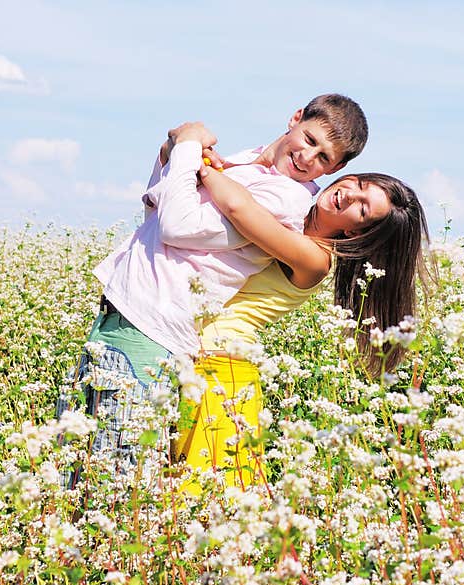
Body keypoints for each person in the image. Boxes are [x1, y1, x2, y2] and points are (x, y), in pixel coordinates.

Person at [56, 95, 367, 475]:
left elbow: (179, 225)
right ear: (295, 118)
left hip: (153, 329)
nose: (307, 158)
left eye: (323, 159)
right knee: (68, 466)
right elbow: (158, 208)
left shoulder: (286, 199)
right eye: (310, 140)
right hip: (120, 313)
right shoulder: (246, 162)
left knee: (114, 476)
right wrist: (173, 150)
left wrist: (190, 147)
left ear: (334, 168)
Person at [169, 157, 431, 496]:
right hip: (187, 354)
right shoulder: (289, 213)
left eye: (363, 209)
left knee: (202, 500)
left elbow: (237, 207)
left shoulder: (314, 257)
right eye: (360, 185)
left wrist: (196, 162)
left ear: (355, 232)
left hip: (224, 372)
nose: (350, 195)